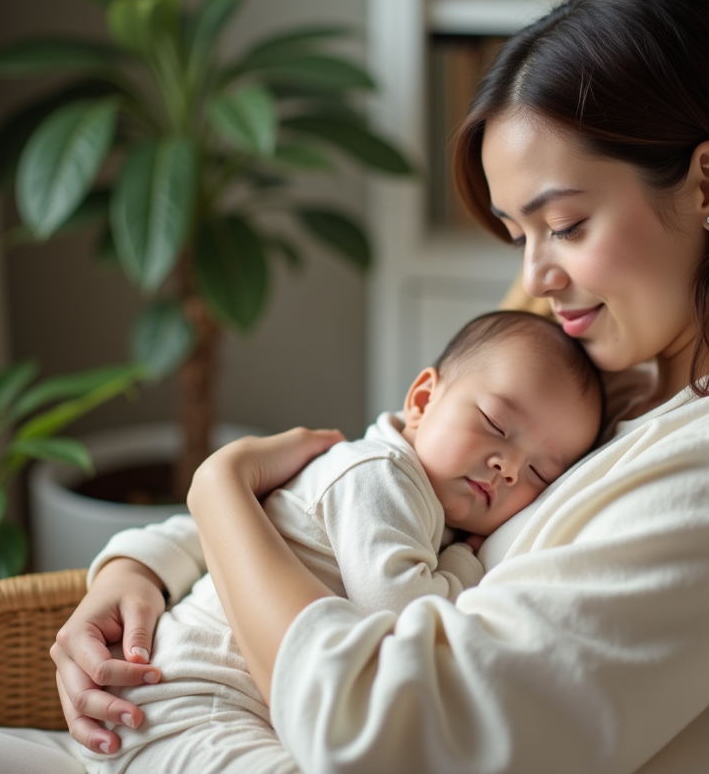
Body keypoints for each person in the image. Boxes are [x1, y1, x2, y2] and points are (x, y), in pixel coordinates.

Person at [0, 0, 709, 772]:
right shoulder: (619, 379)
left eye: (567, 224)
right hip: (200, 709)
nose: (537, 277)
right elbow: (348, 483)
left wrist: (218, 491)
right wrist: (137, 572)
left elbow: (388, 734)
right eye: (520, 233)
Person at [78, 310, 603, 773]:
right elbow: (400, 610)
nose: (509, 467)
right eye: (495, 424)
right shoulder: (382, 475)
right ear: (423, 400)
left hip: (229, 709)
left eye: (540, 471)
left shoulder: (422, 498)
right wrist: (469, 562)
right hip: (190, 702)